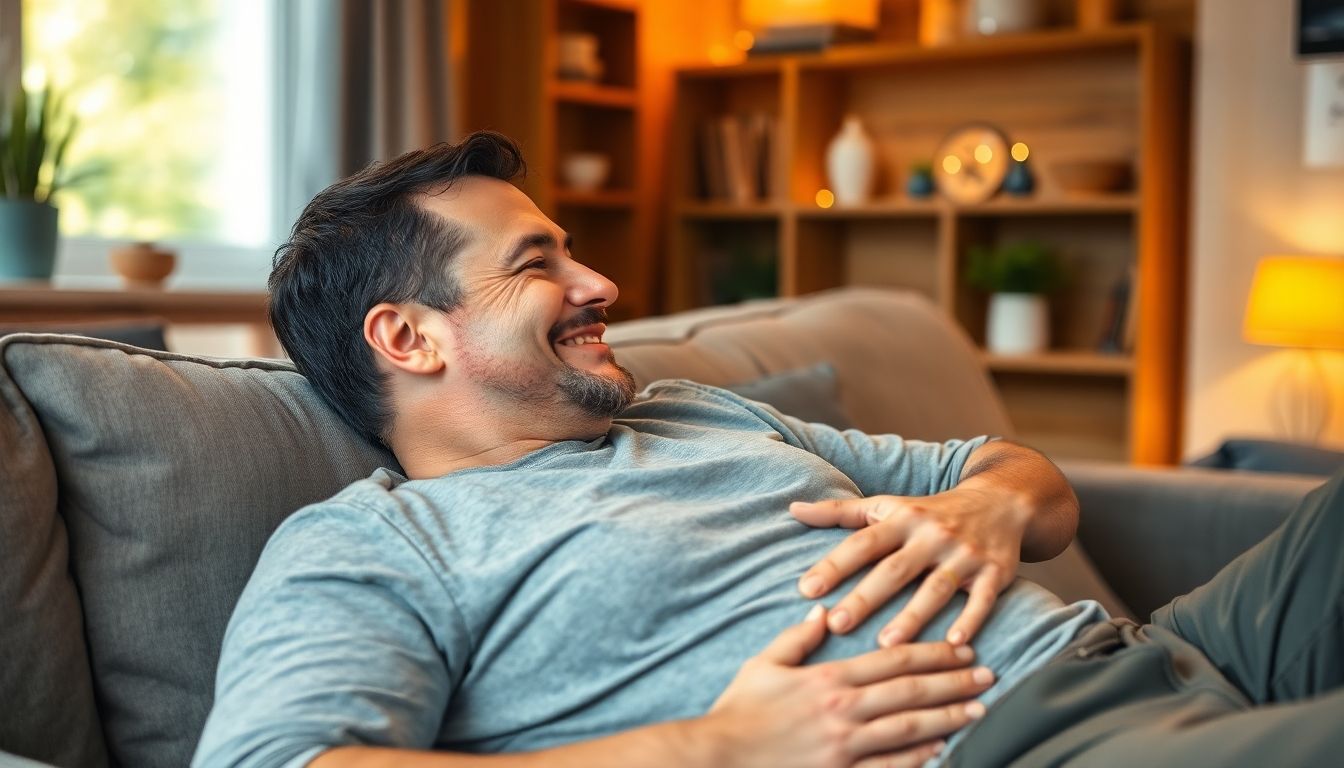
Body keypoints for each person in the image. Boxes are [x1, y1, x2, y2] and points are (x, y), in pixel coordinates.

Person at [194, 132, 1344, 768]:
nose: (601, 283)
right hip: (1037, 744)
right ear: (407, 338)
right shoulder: (380, 543)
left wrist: (990, 506)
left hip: (1169, 647)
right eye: (537, 264)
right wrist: (715, 748)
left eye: (572, 251)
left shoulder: (692, 412)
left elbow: (1014, 474)